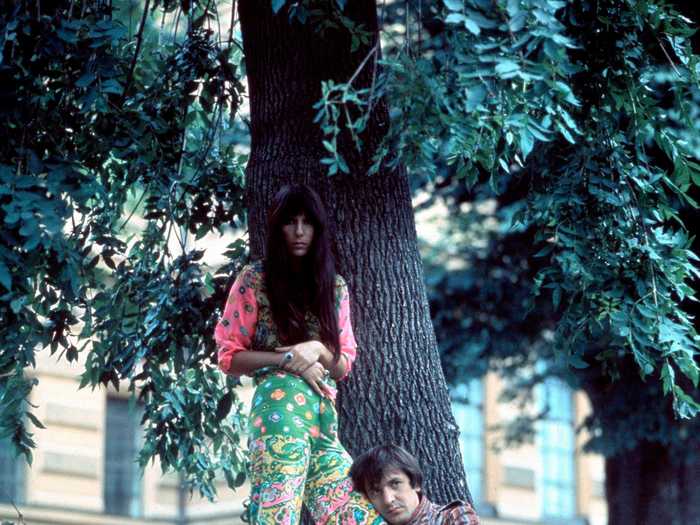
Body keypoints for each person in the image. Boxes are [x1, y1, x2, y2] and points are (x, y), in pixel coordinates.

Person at [214, 184, 383, 525]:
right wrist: (286, 360)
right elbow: (229, 356)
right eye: (291, 222)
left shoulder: (333, 286)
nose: (300, 231)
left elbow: (343, 363)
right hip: (278, 412)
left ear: (319, 228)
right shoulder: (254, 279)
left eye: (308, 222)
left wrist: (317, 349)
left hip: (323, 419)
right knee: (278, 517)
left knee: (359, 519)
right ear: (278, 228)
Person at [349, 444, 480, 525]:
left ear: (416, 483)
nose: (388, 500)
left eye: (395, 483)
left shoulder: (453, 516)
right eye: (376, 491)